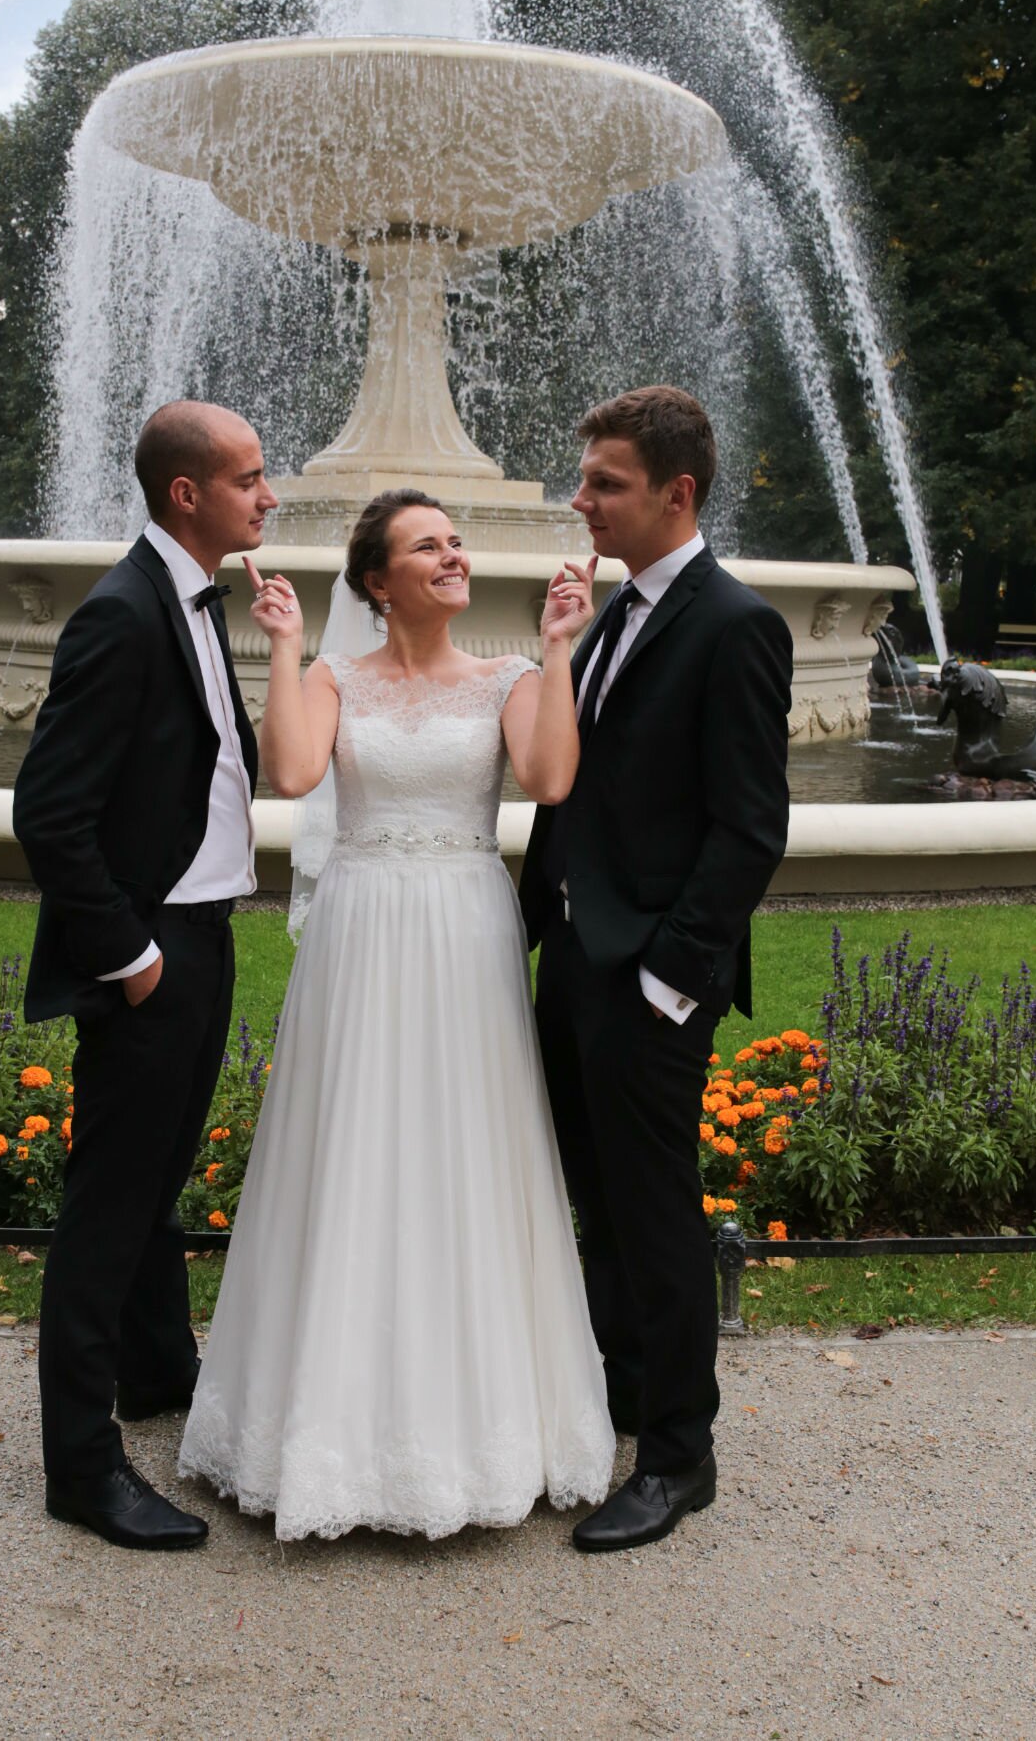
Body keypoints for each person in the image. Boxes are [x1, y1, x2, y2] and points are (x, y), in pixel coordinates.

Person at [178, 489, 616, 1540]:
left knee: (468, 1146)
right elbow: (292, 773)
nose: (453, 556)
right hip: (363, 930)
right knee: (353, 1144)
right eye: (428, 546)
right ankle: (323, 1431)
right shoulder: (334, 678)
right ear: (378, 581)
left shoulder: (509, 677)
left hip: (465, 931)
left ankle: (484, 1428)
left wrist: (560, 647)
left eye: (455, 543)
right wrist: (287, 647)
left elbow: (551, 777)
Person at [519, 386, 793, 1554]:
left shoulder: (735, 625)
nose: (581, 500)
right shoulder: (613, 614)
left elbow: (749, 830)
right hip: (574, 962)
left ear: (676, 493)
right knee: (596, 1201)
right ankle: (623, 1399)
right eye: (585, 479)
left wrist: (668, 981)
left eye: (605, 484)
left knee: (655, 1214)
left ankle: (680, 1457)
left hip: (649, 984)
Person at [13, 400, 278, 1551]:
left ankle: (158, 1372)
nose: (267, 495)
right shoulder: (123, 614)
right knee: (109, 1207)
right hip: (152, 946)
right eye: (249, 478)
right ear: (187, 493)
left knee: (159, 1171)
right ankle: (81, 1467)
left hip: (202, 930)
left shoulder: (190, 598)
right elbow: (48, 812)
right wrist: (131, 957)